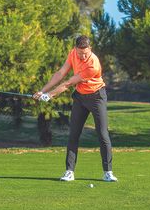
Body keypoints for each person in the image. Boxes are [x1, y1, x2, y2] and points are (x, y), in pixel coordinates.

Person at [33, 35, 118, 182]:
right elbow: (60, 73)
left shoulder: (93, 64)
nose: (82, 56)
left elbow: (68, 83)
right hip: (80, 97)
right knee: (74, 134)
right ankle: (69, 171)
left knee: (102, 134)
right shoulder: (73, 54)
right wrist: (43, 91)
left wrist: (50, 95)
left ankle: (108, 172)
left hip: (97, 97)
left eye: (85, 53)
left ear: (90, 48)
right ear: (75, 49)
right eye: (80, 53)